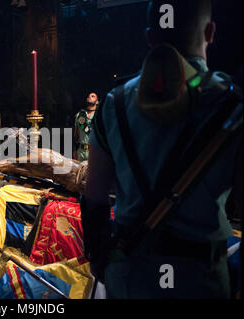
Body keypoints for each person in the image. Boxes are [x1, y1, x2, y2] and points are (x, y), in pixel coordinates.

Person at [84, 0, 242, 299]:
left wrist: (101, 260)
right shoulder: (231, 105)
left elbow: (94, 197)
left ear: (149, 37)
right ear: (210, 32)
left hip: (128, 276)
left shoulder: (113, 104)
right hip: (201, 281)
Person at [74, 92, 99, 161]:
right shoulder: (80, 115)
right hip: (81, 151)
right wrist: (75, 150)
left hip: (95, 151)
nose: (90, 97)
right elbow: (76, 135)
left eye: (93, 96)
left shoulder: (99, 115)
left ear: (97, 102)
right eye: (88, 96)